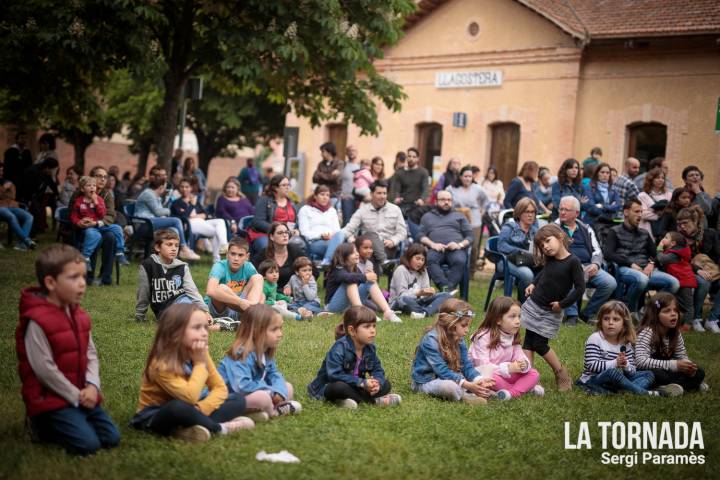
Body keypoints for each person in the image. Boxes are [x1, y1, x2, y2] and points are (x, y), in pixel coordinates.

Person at [16, 244, 121, 455]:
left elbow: (90, 354)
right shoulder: (37, 321)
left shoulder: (79, 315)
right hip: (51, 398)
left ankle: (74, 418)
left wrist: (92, 386)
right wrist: (75, 396)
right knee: (87, 445)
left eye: (84, 276)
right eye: (74, 278)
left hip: (83, 392)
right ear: (51, 282)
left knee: (111, 438)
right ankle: (39, 425)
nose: (82, 284)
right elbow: (44, 369)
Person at [131, 304, 254, 442]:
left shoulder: (200, 352)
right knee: (177, 408)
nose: (204, 333)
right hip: (156, 415)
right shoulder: (161, 364)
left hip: (192, 407)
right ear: (175, 332)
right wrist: (200, 364)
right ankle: (220, 428)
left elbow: (220, 388)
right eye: (197, 328)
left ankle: (187, 429)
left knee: (237, 399)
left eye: (205, 327)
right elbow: (189, 397)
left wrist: (200, 409)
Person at [521, 224, 585, 391]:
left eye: (548, 241)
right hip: (534, 304)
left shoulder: (573, 262)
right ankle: (529, 377)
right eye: (542, 245)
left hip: (550, 310)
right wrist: (533, 284)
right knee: (528, 342)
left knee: (540, 344)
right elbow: (544, 273)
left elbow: (580, 288)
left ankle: (561, 373)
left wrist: (562, 304)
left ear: (560, 237)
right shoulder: (550, 260)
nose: (546, 247)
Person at [307, 306, 402, 409]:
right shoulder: (339, 348)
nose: (372, 330)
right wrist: (361, 382)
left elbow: (377, 369)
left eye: (374, 326)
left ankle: (347, 401)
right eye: (367, 327)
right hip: (329, 386)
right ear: (352, 330)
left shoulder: (370, 348)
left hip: (356, 386)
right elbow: (334, 375)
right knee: (339, 387)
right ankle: (374, 402)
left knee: (386, 384)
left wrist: (377, 383)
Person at [219, 304, 302, 420]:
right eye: (274, 329)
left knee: (287, 387)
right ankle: (273, 412)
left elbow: (274, 374)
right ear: (256, 331)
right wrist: (272, 392)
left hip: (256, 393)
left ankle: (261, 411)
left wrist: (279, 390)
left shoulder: (265, 351)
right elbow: (241, 386)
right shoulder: (241, 354)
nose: (280, 334)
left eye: (280, 328)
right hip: (229, 399)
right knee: (262, 398)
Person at [410, 298, 494, 405]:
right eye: (464, 325)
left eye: (468, 325)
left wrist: (479, 379)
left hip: (454, 376)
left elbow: (465, 365)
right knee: (449, 387)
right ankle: (466, 396)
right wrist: (467, 384)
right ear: (451, 323)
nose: (467, 330)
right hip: (427, 382)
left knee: (488, 368)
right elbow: (442, 371)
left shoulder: (458, 337)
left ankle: (477, 390)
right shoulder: (430, 340)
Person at [604, 199, 679, 315]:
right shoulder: (614, 231)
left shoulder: (644, 233)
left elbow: (655, 253)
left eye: (641, 212)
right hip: (625, 269)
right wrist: (630, 264)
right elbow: (608, 254)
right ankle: (629, 311)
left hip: (646, 269)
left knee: (674, 283)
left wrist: (651, 263)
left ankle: (650, 308)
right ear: (626, 212)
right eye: (636, 211)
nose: (640, 215)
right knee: (642, 280)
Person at [575, 301, 660, 396]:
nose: (610, 322)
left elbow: (632, 372)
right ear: (601, 321)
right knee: (612, 372)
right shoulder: (595, 338)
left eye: (616, 319)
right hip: (594, 379)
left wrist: (626, 364)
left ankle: (625, 391)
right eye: (606, 319)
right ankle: (644, 393)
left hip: (617, 380)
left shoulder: (625, 343)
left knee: (648, 374)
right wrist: (615, 363)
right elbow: (591, 365)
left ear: (624, 324)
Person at [555, 196, 617, 324]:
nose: (562, 212)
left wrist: (595, 264)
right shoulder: (553, 228)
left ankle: (586, 313)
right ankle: (572, 315)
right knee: (569, 275)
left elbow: (597, 251)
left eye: (566, 210)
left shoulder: (586, 228)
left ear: (576, 213)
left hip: (588, 267)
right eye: (560, 209)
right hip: (565, 267)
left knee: (610, 283)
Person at [468, 296, 542, 399]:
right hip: (483, 374)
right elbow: (483, 366)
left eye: (519, 316)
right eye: (512, 316)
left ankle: (511, 393)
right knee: (492, 379)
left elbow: (520, 356)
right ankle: (523, 389)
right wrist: (508, 368)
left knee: (533, 373)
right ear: (498, 320)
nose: (518, 321)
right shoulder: (483, 336)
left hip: (506, 373)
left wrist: (523, 364)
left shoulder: (512, 334)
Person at [636, 292, 707, 394]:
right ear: (655, 315)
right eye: (667, 311)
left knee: (699, 372)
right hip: (647, 372)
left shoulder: (675, 333)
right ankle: (688, 385)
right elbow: (640, 362)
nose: (673, 314)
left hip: (667, 369)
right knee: (659, 375)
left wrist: (688, 366)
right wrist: (674, 364)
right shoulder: (647, 333)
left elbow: (681, 355)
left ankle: (676, 386)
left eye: (675, 310)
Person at [135, 229, 209, 323]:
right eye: (169, 244)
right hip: (164, 311)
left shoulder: (182, 266)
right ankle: (218, 325)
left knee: (190, 311)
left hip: (182, 300)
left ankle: (211, 322)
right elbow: (143, 293)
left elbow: (192, 291)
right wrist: (140, 315)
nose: (174, 248)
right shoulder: (148, 266)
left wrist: (205, 310)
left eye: (176, 245)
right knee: (189, 320)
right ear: (158, 247)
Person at [134, 166, 200, 261]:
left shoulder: (155, 196)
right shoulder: (148, 194)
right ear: (161, 186)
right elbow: (158, 212)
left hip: (150, 223)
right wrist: (170, 211)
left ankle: (169, 260)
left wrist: (164, 211)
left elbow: (160, 212)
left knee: (174, 231)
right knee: (176, 220)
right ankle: (184, 248)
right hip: (143, 225)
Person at [323, 243, 401, 322]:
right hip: (332, 307)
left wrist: (370, 278)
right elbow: (347, 277)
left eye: (357, 251)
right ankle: (361, 314)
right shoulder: (337, 269)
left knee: (368, 282)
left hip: (348, 306)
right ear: (344, 256)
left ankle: (388, 312)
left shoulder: (357, 269)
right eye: (353, 253)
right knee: (352, 281)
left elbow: (364, 283)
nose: (357, 254)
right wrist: (366, 276)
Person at [342, 180, 407, 273]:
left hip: (388, 248)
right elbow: (348, 229)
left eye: (384, 193)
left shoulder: (395, 209)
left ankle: (373, 280)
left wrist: (393, 241)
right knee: (370, 236)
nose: (382, 196)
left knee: (369, 247)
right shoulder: (363, 211)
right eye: (379, 193)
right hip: (368, 249)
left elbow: (402, 232)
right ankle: (384, 263)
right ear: (372, 194)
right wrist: (351, 239)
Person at [675, 206, 720, 333]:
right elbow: (678, 259)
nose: (682, 226)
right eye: (679, 224)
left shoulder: (710, 234)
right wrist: (697, 270)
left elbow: (718, 253)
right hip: (688, 271)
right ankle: (696, 318)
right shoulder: (678, 238)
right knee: (703, 281)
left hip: (712, 270)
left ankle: (713, 319)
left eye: (685, 223)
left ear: (695, 221)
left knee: (708, 279)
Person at [418, 190, 474, 292]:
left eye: (449, 200)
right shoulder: (427, 217)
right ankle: (446, 288)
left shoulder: (459, 216)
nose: (446, 202)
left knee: (460, 260)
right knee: (429, 260)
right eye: (443, 200)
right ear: (436, 202)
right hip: (435, 249)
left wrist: (459, 245)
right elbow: (420, 235)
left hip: (456, 249)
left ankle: (446, 290)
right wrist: (432, 244)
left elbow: (470, 236)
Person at [70, 176, 129, 268]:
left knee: (117, 228)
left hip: (100, 224)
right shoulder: (78, 201)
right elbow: (74, 215)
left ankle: (119, 252)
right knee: (93, 235)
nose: (92, 187)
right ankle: (86, 257)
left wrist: (96, 203)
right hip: (89, 227)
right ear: (82, 189)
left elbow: (102, 214)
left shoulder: (99, 200)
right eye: (89, 185)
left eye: (94, 185)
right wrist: (78, 222)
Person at [205, 236, 264, 321]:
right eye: (233, 254)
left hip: (239, 307)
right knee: (222, 287)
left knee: (258, 278)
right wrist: (240, 302)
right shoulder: (219, 266)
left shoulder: (248, 267)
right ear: (227, 255)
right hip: (220, 309)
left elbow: (260, 293)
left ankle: (252, 313)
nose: (236, 258)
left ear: (247, 257)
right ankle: (252, 314)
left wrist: (258, 303)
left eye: (240, 255)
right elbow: (210, 291)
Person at [389, 243, 453, 319]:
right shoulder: (401, 269)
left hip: (419, 301)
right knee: (405, 299)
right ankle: (427, 311)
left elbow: (425, 293)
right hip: (399, 302)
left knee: (446, 295)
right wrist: (419, 293)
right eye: (417, 258)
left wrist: (430, 292)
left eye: (423, 259)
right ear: (409, 257)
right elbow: (402, 295)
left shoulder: (423, 271)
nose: (420, 262)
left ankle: (423, 313)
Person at [171, 177, 228, 263]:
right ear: (179, 188)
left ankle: (224, 245)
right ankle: (217, 259)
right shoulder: (176, 203)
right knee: (217, 231)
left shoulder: (194, 200)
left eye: (187, 187)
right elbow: (184, 217)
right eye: (182, 187)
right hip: (189, 225)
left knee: (220, 221)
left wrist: (194, 215)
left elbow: (204, 214)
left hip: (201, 222)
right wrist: (192, 205)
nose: (184, 189)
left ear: (191, 188)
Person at [447, 165, 489, 273]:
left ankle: (471, 272)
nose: (468, 179)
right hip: (457, 219)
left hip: (474, 220)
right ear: (460, 177)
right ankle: (456, 269)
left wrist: (482, 211)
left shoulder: (477, 188)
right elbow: (446, 200)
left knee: (474, 246)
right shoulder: (452, 189)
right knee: (457, 244)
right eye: (465, 176)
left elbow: (486, 200)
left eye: (470, 176)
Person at [497, 197, 539, 301]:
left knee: (545, 271)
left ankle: (535, 306)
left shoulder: (534, 230)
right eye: (527, 211)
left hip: (527, 261)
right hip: (506, 260)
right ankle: (524, 305)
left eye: (533, 212)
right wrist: (521, 253)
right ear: (519, 213)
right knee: (527, 274)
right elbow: (501, 246)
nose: (530, 215)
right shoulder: (510, 227)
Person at [249, 174, 302, 255]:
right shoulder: (264, 200)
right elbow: (257, 222)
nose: (287, 187)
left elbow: (297, 221)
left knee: (300, 244)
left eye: (288, 185)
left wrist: (296, 229)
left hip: (288, 234)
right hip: (266, 234)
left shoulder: (292, 202)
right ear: (275, 188)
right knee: (265, 246)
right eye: (284, 185)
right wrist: (276, 230)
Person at [251, 222, 310, 293]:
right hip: (269, 294)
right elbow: (253, 276)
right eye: (280, 233)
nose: (285, 235)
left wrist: (298, 286)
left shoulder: (296, 251)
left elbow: (314, 272)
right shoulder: (263, 254)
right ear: (271, 237)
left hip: (294, 294)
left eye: (286, 232)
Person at [656, 232, 697, 329]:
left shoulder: (674, 255)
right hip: (680, 281)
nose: (663, 239)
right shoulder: (673, 251)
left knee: (688, 305)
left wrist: (659, 247)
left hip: (685, 282)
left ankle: (687, 325)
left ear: (673, 243)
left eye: (666, 237)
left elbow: (661, 258)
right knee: (678, 303)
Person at [297, 185, 345, 266]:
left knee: (341, 234)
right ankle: (328, 262)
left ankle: (327, 261)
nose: (325, 197)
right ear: (315, 196)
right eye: (322, 194)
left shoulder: (332, 210)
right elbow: (304, 232)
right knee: (341, 249)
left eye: (327, 195)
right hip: (314, 242)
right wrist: (320, 236)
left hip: (332, 240)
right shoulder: (305, 210)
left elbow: (337, 230)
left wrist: (331, 236)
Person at [0, 162, 35, 250]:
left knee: (29, 217)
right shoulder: (5, 184)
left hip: (12, 206)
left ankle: (22, 245)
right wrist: (4, 188)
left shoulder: (6, 181)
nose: (1, 173)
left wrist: (4, 191)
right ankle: (26, 241)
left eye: (2, 170)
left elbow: (12, 196)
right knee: (11, 217)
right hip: (1, 207)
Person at [21, 157, 59, 235]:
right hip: (26, 196)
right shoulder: (32, 171)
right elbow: (27, 188)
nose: (53, 172)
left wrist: (58, 195)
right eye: (53, 170)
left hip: (36, 196)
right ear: (47, 168)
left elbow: (52, 184)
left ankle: (36, 230)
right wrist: (30, 200)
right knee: (36, 211)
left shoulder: (46, 173)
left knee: (40, 210)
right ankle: (31, 233)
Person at [582, 162, 621, 236]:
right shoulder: (588, 188)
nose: (605, 175)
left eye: (607, 173)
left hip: (609, 225)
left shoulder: (613, 190)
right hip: (592, 224)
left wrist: (602, 206)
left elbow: (618, 206)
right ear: (597, 173)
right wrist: (610, 207)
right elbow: (592, 208)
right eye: (602, 172)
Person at [389, 147, 430, 218]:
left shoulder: (423, 172)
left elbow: (425, 188)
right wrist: (396, 197)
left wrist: (422, 199)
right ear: (406, 157)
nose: (411, 159)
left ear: (418, 159)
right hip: (402, 205)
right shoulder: (400, 173)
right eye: (409, 156)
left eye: (414, 157)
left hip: (417, 205)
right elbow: (396, 189)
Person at [638, 167, 672, 241]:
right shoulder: (643, 195)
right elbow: (643, 214)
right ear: (651, 179)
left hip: (664, 233)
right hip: (647, 230)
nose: (660, 180)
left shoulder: (669, 195)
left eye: (662, 178)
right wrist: (661, 214)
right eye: (657, 177)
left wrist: (651, 210)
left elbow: (671, 212)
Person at [3, 131, 33, 195]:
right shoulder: (10, 151)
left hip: (24, 181)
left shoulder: (27, 152)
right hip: (12, 179)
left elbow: (29, 166)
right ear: (16, 140)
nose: (24, 140)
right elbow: (7, 167)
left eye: (25, 138)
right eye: (21, 138)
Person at [339, 144, 360, 225]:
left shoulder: (360, 166)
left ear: (357, 153)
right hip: (346, 199)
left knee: (357, 223)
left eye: (353, 150)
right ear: (346, 153)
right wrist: (341, 194)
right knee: (347, 222)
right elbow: (338, 181)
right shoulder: (343, 165)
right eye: (349, 151)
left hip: (358, 199)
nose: (352, 152)